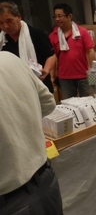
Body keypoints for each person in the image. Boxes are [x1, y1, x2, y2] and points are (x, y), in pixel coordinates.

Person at [0, 51, 62, 214]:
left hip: (10, 200)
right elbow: (49, 103)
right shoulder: (10, 58)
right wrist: (23, 123)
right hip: (46, 179)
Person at [0, 1, 56, 93]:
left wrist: (46, 70)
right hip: (14, 89)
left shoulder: (36, 34)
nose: (5, 26)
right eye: (1, 23)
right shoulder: (2, 40)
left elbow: (51, 55)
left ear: (18, 16)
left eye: (9, 21)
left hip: (39, 84)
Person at [49, 3, 95, 99]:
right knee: (69, 105)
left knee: (89, 102)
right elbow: (52, 57)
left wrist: (92, 74)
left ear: (70, 16)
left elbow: (90, 51)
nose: (57, 19)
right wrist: (52, 77)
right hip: (64, 78)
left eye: (60, 16)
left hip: (84, 75)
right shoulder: (53, 35)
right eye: (55, 16)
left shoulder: (82, 32)